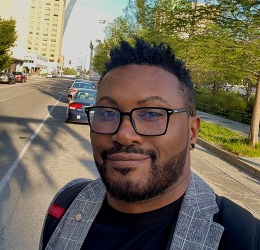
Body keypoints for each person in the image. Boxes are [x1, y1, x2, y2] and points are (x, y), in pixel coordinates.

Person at [39, 38, 259, 250]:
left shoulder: (245, 238)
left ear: (192, 132)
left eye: (152, 114)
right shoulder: (66, 203)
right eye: (107, 112)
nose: (124, 135)